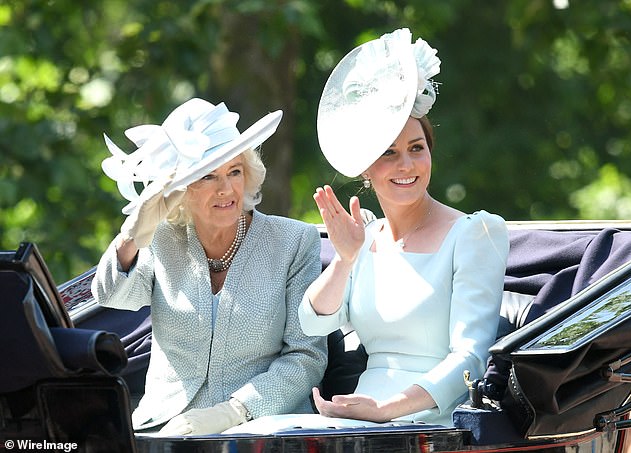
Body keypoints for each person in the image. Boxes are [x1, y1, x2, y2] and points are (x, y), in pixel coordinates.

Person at [298, 28, 509, 427]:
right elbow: (313, 321)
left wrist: (388, 409)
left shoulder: (475, 234)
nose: (407, 166)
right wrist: (344, 260)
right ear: (366, 168)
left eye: (416, 148)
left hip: (435, 419)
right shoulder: (364, 234)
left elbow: (471, 358)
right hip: (359, 416)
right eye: (389, 153)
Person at [91, 97, 327, 435]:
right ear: (181, 188)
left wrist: (235, 411)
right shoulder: (159, 239)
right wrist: (132, 235)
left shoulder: (293, 241)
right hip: (165, 427)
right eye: (208, 176)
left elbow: (306, 357)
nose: (226, 189)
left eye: (234, 172)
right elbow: (110, 296)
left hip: (261, 428)